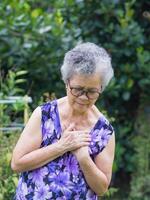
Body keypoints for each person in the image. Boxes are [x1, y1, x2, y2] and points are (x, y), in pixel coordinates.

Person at [11, 42, 115, 200]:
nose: (83, 97)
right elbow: (17, 164)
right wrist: (61, 146)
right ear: (67, 83)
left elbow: (101, 189)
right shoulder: (44, 114)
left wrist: (83, 158)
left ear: (101, 88)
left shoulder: (104, 131)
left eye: (91, 92)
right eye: (78, 89)